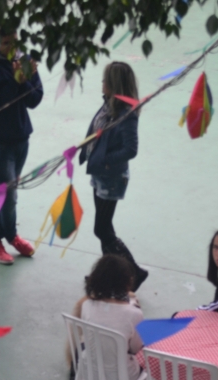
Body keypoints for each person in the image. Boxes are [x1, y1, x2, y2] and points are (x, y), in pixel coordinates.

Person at [0, 27, 43, 265]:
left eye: (14, 42)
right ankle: (6, 238)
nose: (11, 48)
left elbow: (35, 99)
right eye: (6, 43)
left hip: (20, 137)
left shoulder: (24, 61)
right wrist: (15, 82)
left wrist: (23, 81)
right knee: (9, 195)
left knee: (4, 193)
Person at [80, 61, 148, 290]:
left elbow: (131, 149)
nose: (102, 84)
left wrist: (104, 162)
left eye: (105, 80)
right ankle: (110, 277)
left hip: (111, 178)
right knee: (104, 228)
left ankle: (133, 272)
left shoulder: (126, 114)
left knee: (102, 229)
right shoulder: (109, 106)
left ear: (114, 84)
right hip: (100, 174)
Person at [65, 255, 145, 380]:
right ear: (126, 282)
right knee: (146, 361)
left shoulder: (86, 306)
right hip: (122, 377)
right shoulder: (135, 314)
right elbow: (136, 348)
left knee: (80, 352)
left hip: (90, 372)